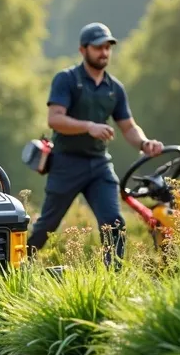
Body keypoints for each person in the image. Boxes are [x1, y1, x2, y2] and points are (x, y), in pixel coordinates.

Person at [26, 22, 163, 269]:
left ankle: (113, 279)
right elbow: (55, 119)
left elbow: (129, 127)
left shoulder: (115, 88)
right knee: (46, 226)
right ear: (83, 50)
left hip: (99, 166)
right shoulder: (66, 79)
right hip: (66, 163)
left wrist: (144, 143)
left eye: (108, 47)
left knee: (114, 222)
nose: (104, 52)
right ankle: (15, 265)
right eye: (98, 47)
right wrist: (89, 126)